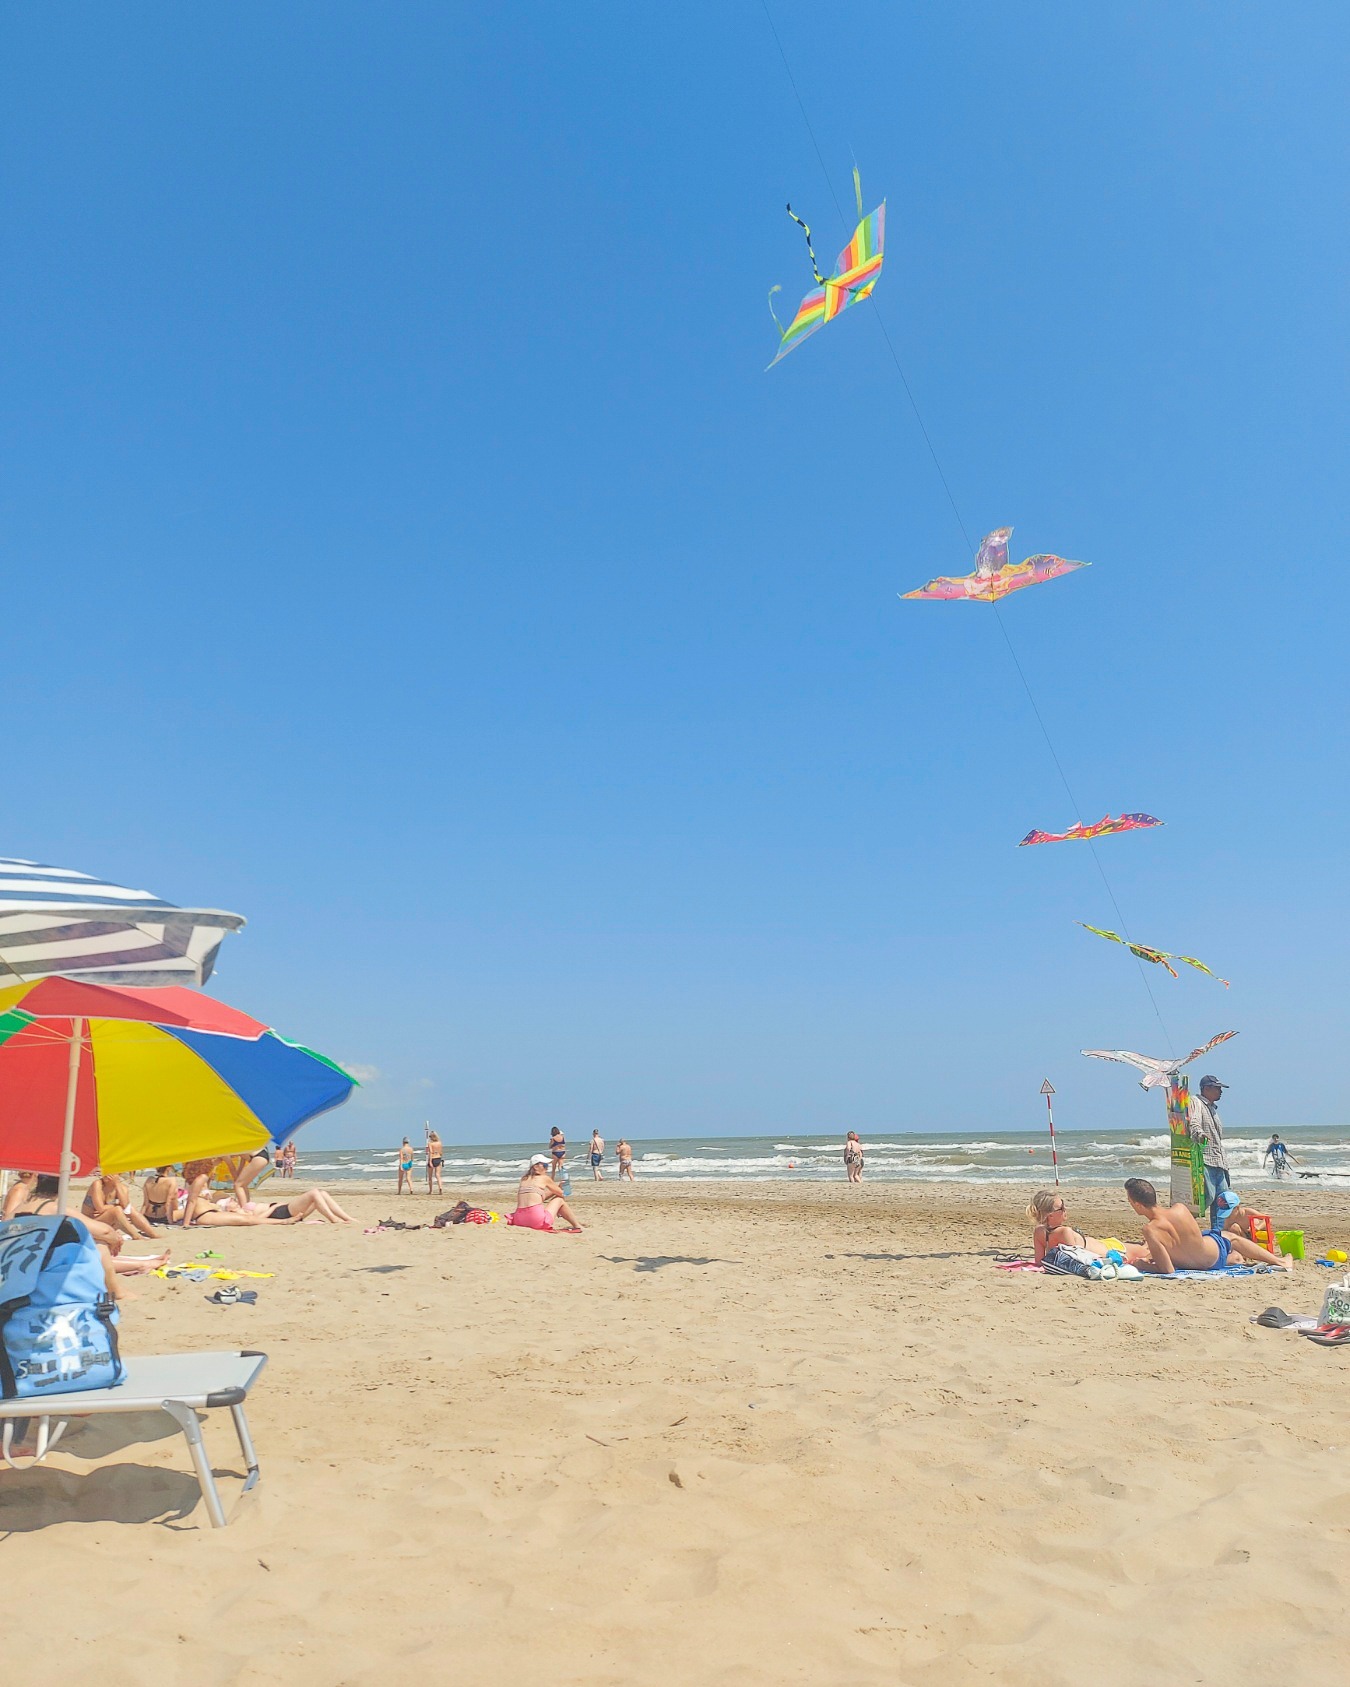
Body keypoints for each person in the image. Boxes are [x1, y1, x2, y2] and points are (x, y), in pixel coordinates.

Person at [1123, 1177, 1291, 1275]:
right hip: (1212, 1257)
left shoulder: (1150, 1230)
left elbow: (1168, 1269)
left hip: (1193, 1265)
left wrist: (1141, 1264)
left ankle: (1275, 1261)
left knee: (1224, 1236)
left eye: (1130, 1201)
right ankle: (1279, 1261)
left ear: (1138, 1204)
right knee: (1227, 1237)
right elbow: (1193, 1241)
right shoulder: (1180, 1209)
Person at [190, 1187, 356, 1226]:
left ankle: (346, 1217)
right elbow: (257, 1219)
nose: (233, 1199)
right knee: (313, 1193)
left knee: (321, 1193)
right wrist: (272, 1208)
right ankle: (333, 1219)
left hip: (282, 1210)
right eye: (231, 1201)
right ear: (229, 1208)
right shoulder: (241, 1213)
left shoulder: (241, 1208)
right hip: (281, 1212)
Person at [1188, 1074, 1231, 1223]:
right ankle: (1183, 1223)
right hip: (1206, 1160)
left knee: (1223, 1200)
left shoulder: (1213, 1109)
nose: (1220, 1091)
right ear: (1206, 1089)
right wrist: (1199, 1134)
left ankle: (1217, 1232)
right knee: (1208, 1197)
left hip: (1219, 1161)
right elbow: (1194, 1123)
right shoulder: (1196, 1102)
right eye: (1217, 1088)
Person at [506, 1155, 583, 1232]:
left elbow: (540, 1198)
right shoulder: (544, 1178)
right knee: (559, 1200)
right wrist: (560, 1188)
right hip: (536, 1219)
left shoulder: (524, 1178)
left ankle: (575, 1224)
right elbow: (562, 1194)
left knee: (556, 1200)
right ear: (536, 1167)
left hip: (519, 1219)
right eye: (545, 1165)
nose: (547, 1168)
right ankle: (577, 1225)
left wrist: (556, 1189)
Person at [426, 1130, 445, 1194]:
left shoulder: (430, 1143)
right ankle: (440, 1188)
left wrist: (430, 1161)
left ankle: (431, 1190)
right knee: (438, 1175)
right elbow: (441, 1152)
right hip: (438, 1158)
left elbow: (431, 1152)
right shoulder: (439, 1143)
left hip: (433, 1158)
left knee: (430, 1176)